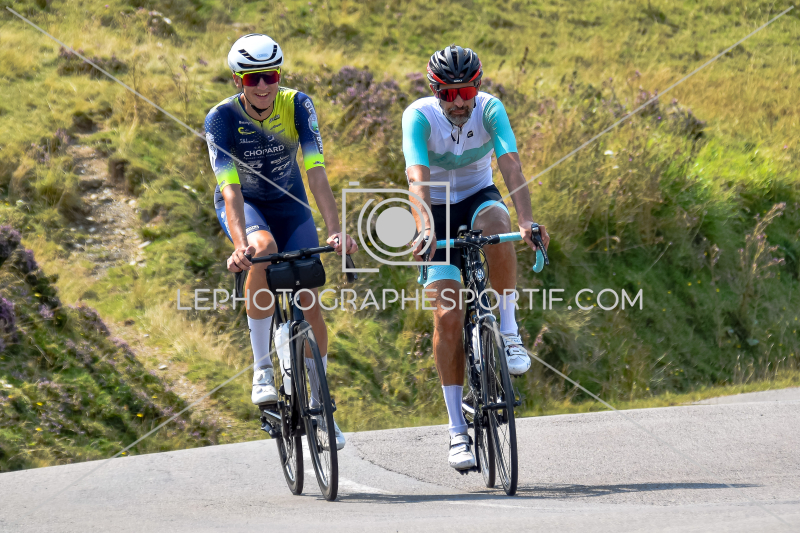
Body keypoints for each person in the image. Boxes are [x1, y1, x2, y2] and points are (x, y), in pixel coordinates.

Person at [204, 34, 357, 450]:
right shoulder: (220, 118)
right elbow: (231, 191)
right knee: (263, 249)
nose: (262, 86)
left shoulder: (298, 105)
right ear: (237, 80)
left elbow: (316, 173)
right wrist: (241, 246)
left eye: (269, 76)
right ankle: (262, 369)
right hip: (247, 205)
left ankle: (321, 404)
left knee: (310, 302)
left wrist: (335, 229)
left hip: (291, 204)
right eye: (251, 78)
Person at [402, 45, 550, 470]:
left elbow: (511, 165)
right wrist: (425, 229)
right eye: (448, 94)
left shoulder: (489, 109)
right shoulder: (418, 117)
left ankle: (509, 330)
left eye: (466, 91)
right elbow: (417, 180)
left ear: (477, 87)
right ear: (435, 93)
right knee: (448, 317)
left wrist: (527, 221)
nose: (459, 102)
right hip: (434, 209)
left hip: (477, 197)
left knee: (498, 222)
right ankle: (456, 431)